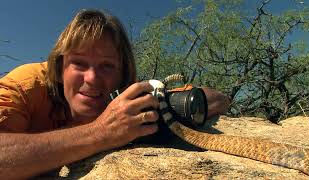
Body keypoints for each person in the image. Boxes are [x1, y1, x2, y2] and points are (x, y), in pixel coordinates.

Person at [0, 9, 230, 179]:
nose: (91, 78)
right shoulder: (26, 84)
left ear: (123, 77)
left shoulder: (126, 102)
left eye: (107, 66)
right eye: (79, 63)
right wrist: (101, 133)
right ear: (60, 68)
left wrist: (173, 103)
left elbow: (216, 98)